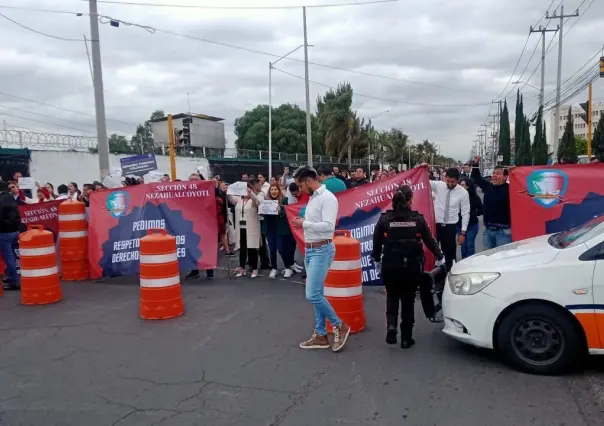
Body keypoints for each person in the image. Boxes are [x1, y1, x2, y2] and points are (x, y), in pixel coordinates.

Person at [372, 185, 444, 348]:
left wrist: (376, 260)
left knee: (392, 295)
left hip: (390, 264)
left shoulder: (385, 219)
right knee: (408, 299)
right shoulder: (417, 219)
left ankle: (391, 326)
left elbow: (376, 243)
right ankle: (406, 338)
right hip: (411, 266)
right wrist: (440, 257)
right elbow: (429, 240)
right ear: (410, 200)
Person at [291, 166, 351, 352]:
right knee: (317, 293)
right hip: (311, 250)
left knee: (313, 295)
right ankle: (320, 334)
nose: (300, 189)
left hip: (322, 249)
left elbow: (328, 226)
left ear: (309, 181)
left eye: (301, 185)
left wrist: (304, 223)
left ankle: (339, 324)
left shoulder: (327, 198)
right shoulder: (314, 198)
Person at [424, 165, 470, 271]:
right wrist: (423, 169)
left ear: (457, 180)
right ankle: (434, 279)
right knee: (432, 252)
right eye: (448, 180)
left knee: (449, 255)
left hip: (450, 227)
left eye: (452, 182)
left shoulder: (463, 193)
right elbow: (423, 180)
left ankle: (448, 278)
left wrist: (463, 233)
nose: (449, 184)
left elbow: (465, 213)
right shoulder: (439, 186)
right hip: (436, 225)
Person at [470, 157, 512, 249]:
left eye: (498, 174)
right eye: (493, 173)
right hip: (488, 231)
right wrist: (476, 164)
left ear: (505, 176)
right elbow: (476, 177)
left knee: (502, 259)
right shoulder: (488, 187)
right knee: (488, 260)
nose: (494, 176)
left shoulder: (511, 189)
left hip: (504, 232)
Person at [228, 179, 263, 278]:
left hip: (251, 228)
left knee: (252, 249)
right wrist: (227, 191)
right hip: (241, 228)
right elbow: (230, 198)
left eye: (246, 190)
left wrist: (251, 193)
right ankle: (242, 268)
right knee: (242, 249)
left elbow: (257, 201)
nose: (245, 192)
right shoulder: (239, 200)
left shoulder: (253, 199)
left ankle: (254, 269)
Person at [0, 180, 21, 290]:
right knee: (11, 255)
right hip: (14, 230)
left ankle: (14, 281)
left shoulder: (1, 200)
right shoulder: (9, 197)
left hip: (4, 231)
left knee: (8, 256)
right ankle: (13, 277)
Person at [458, 177, 483, 259]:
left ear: (468, 186)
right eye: (460, 185)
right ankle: (463, 263)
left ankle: (471, 263)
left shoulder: (475, 197)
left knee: (470, 245)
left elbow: (481, 210)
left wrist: (472, 214)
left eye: (463, 185)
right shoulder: (457, 197)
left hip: (472, 225)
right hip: (460, 225)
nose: (460, 187)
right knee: (463, 246)